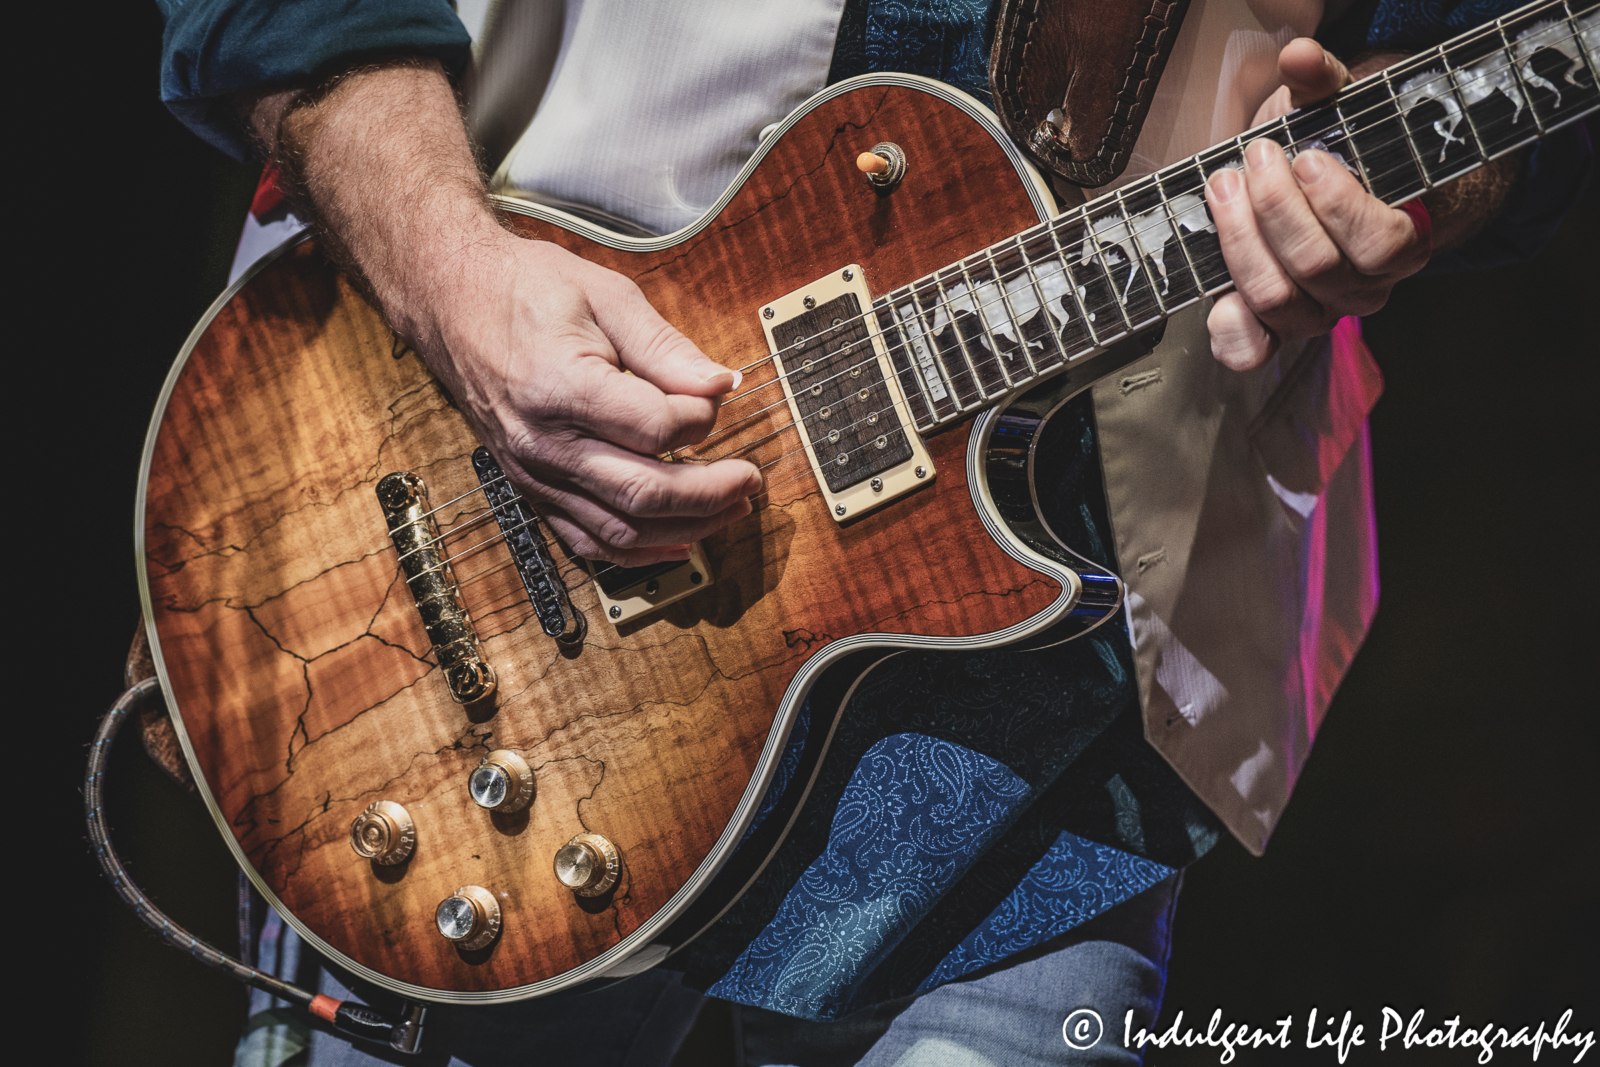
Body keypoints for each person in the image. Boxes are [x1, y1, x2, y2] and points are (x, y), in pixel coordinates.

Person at [152, 1, 1592, 1064]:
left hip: (1062, 699)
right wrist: (448, 272)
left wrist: (1408, 172)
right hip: (507, 516)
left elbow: (1479, 53)